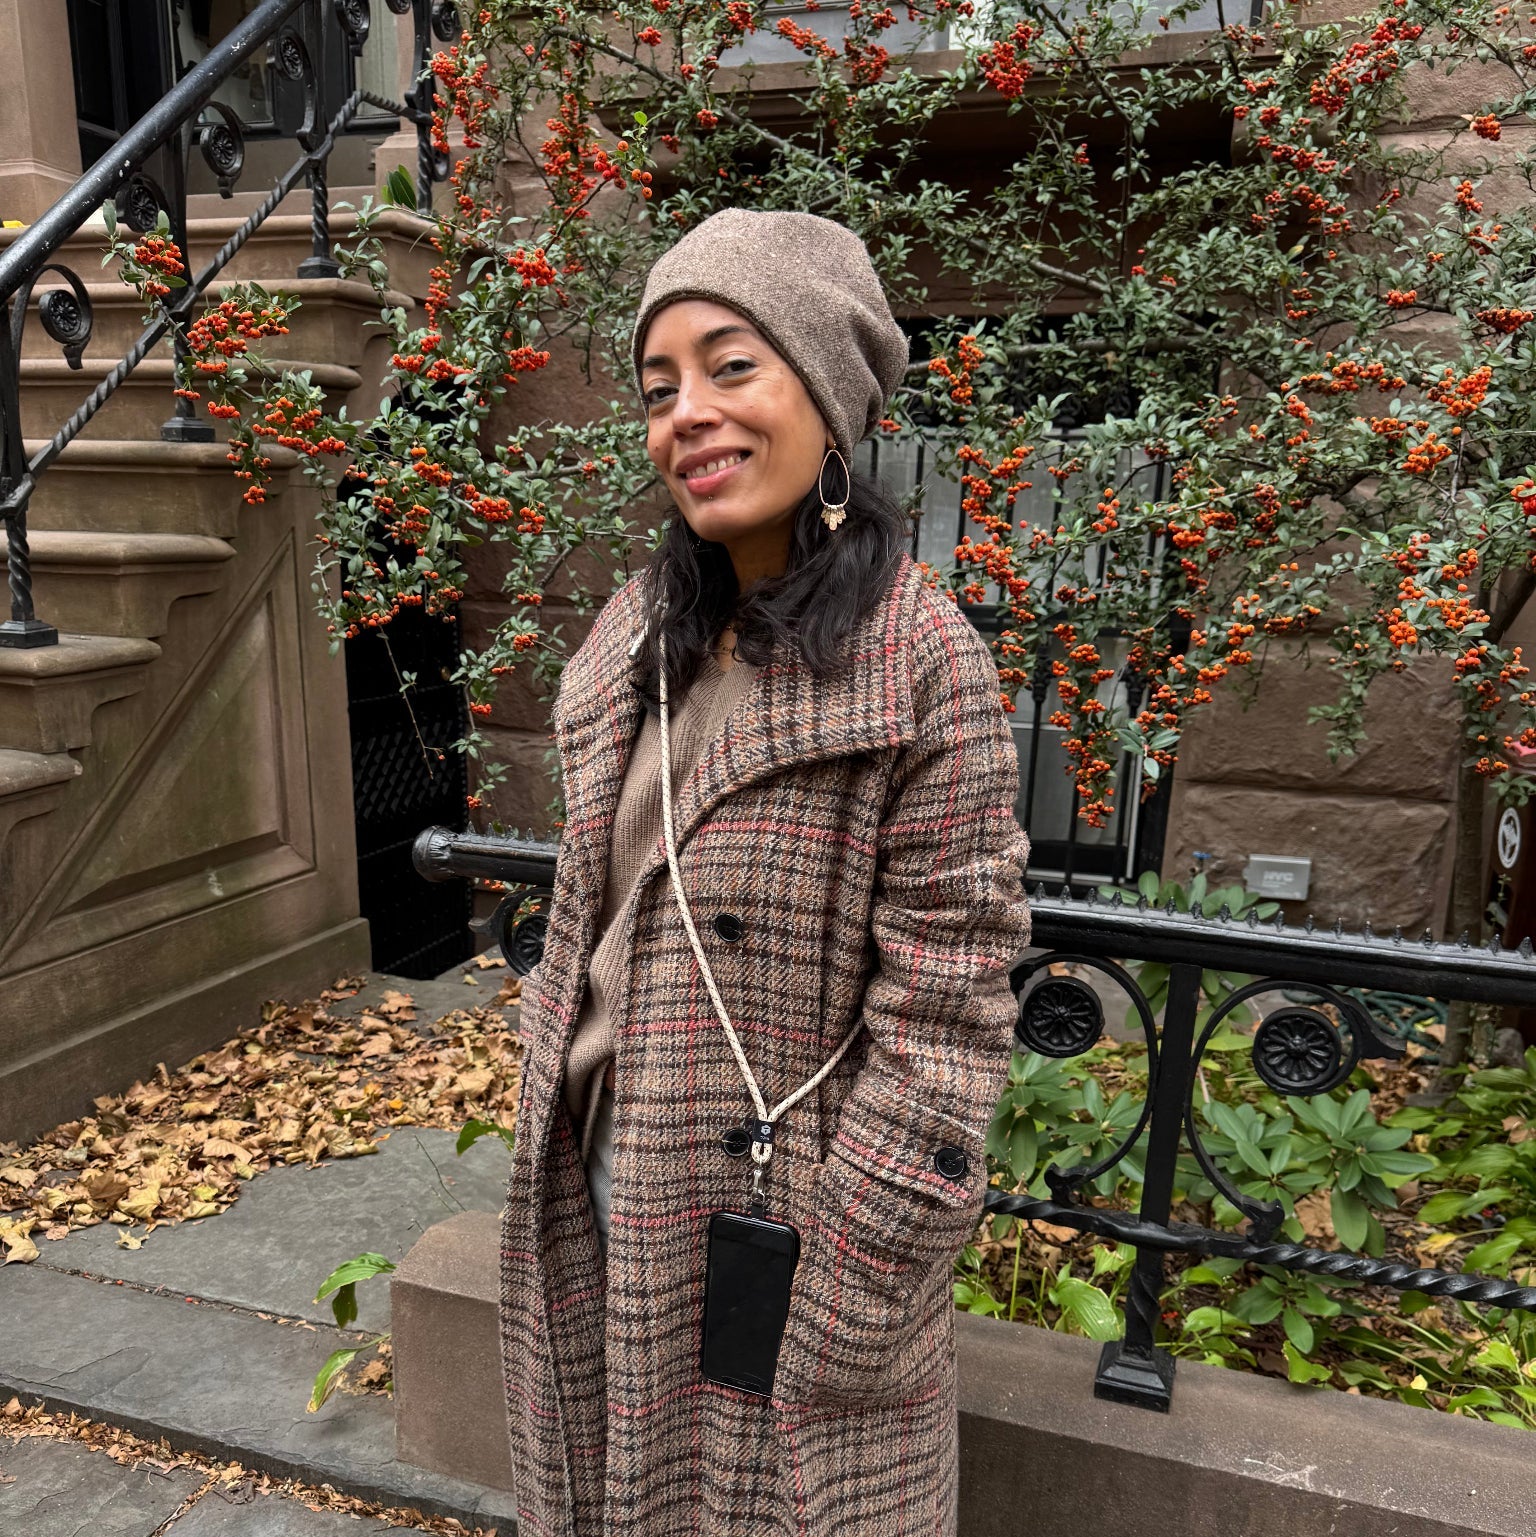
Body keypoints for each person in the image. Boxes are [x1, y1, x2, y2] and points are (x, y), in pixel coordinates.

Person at [498, 207, 1032, 1537]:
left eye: (733, 366)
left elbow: (951, 1017)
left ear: (829, 394)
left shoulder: (922, 660)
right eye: (660, 384)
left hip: (780, 1225)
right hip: (602, 1170)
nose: (689, 412)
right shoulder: (640, 635)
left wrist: (854, 1284)